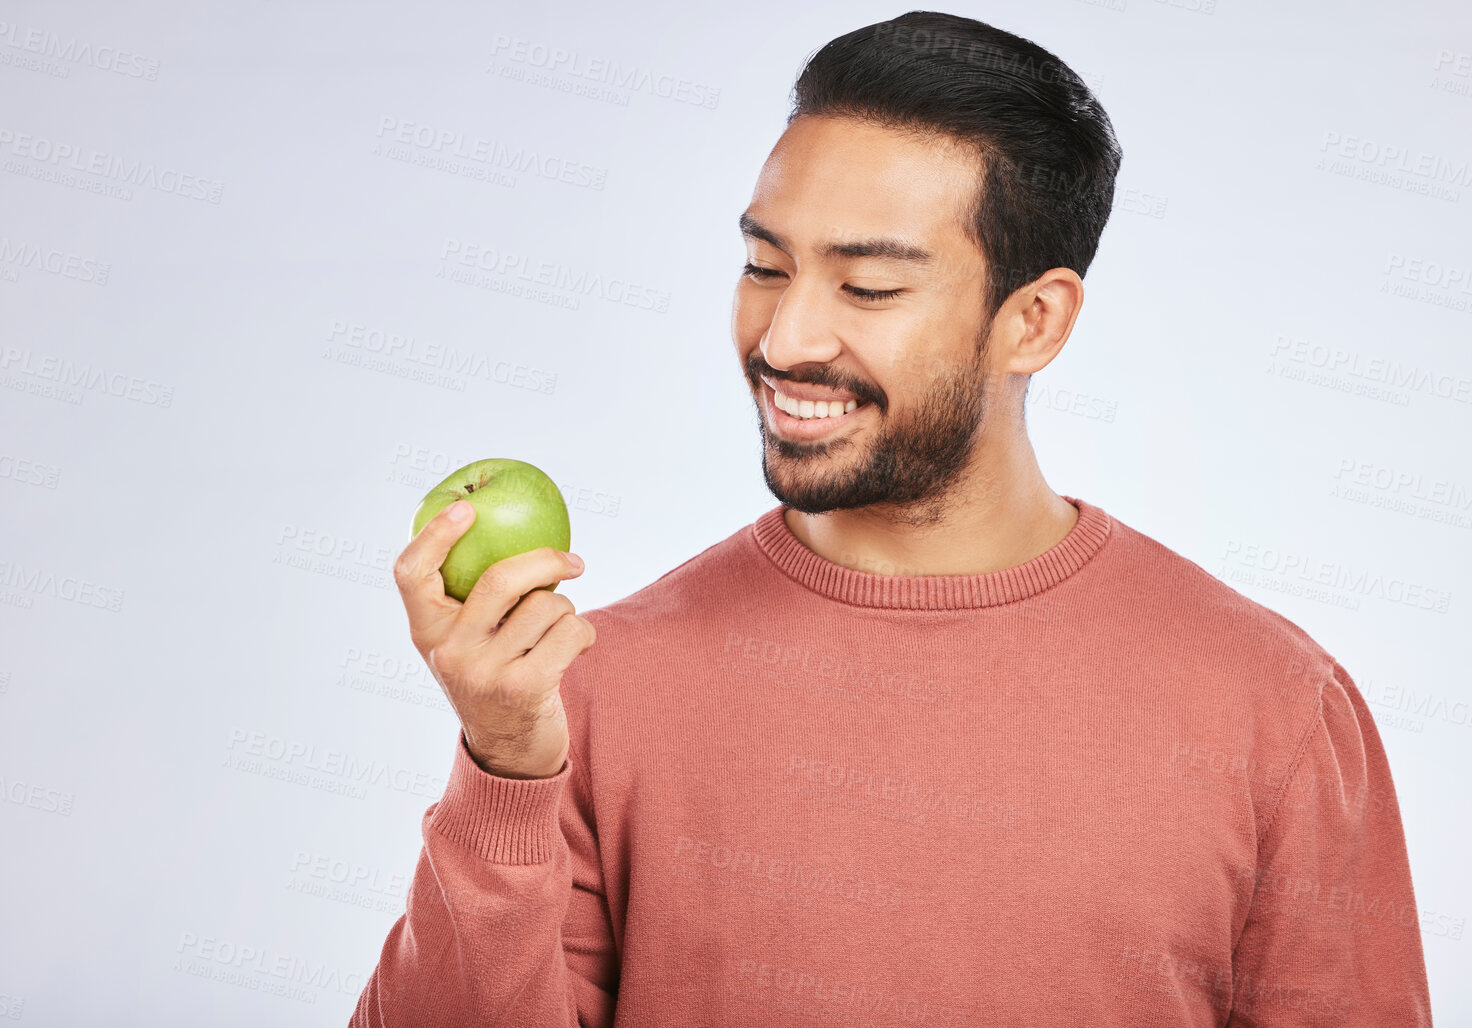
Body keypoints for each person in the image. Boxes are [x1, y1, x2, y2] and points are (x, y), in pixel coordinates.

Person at [351, 10, 1433, 1026]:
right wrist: (503, 768)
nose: (786, 338)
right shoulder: (586, 688)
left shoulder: (1277, 710)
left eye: (867, 287)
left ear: (1035, 321)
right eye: (764, 266)